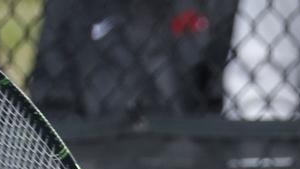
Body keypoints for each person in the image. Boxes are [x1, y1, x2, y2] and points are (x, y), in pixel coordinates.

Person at [29, 0, 239, 119]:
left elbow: (220, 104)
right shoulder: (70, 7)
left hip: (187, 164)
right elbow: (52, 105)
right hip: (99, 162)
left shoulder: (216, 7)